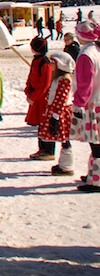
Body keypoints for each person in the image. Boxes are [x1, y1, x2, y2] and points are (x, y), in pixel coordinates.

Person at [70, 21, 100, 192]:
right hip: (97, 101)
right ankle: (93, 174)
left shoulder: (86, 55)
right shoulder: (96, 50)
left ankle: (96, 180)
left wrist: (78, 104)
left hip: (92, 104)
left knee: (96, 144)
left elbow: (84, 84)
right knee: (96, 143)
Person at [41, 52, 75, 176]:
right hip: (56, 111)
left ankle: (67, 166)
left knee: (64, 139)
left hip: (60, 113)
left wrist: (55, 117)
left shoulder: (64, 80)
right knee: (62, 139)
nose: (50, 64)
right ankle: (64, 164)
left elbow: (61, 99)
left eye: (52, 62)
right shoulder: (58, 78)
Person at [26, 37, 54, 159]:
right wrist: (28, 91)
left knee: (46, 123)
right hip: (36, 97)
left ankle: (49, 151)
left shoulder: (45, 63)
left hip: (42, 98)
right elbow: (31, 76)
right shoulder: (36, 60)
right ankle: (42, 148)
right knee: (40, 124)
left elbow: (45, 83)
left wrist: (34, 96)